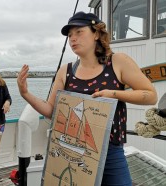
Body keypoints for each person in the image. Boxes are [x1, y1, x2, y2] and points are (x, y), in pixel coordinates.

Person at [17, 11, 157, 186]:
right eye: (69, 35)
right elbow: (51, 111)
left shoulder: (118, 62)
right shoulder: (65, 71)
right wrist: (25, 94)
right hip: (73, 151)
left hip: (110, 150)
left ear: (96, 34)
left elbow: (150, 95)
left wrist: (113, 94)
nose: (73, 38)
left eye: (79, 32)